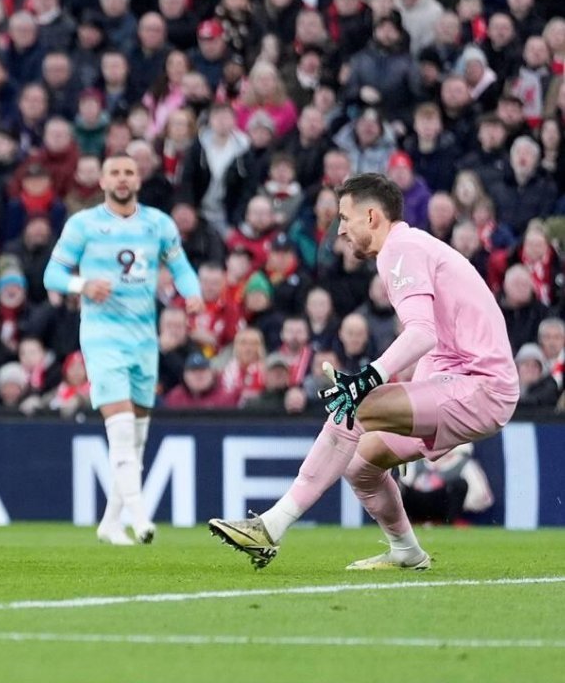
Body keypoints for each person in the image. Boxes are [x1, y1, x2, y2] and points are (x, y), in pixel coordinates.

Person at [209, 173, 518, 570]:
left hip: (481, 387)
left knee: (355, 406)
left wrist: (369, 379)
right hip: (462, 384)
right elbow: (440, 339)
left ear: (371, 216)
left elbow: (422, 333)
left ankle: (270, 526)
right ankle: (406, 551)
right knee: (361, 465)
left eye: (344, 217)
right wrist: (410, 403)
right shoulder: (412, 246)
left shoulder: (400, 249)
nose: (340, 229)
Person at [43, 154, 203, 546]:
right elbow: (52, 274)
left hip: (144, 339)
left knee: (137, 437)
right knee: (121, 428)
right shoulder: (83, 224)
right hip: (102, 337)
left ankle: (111, 522)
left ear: (138, 179)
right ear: (102, 181)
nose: (122, 178)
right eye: (114, 172)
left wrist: (193, 293)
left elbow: (180, 267)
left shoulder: (158, 224)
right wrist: (83, 285)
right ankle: (140, 516)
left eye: (128, 172)